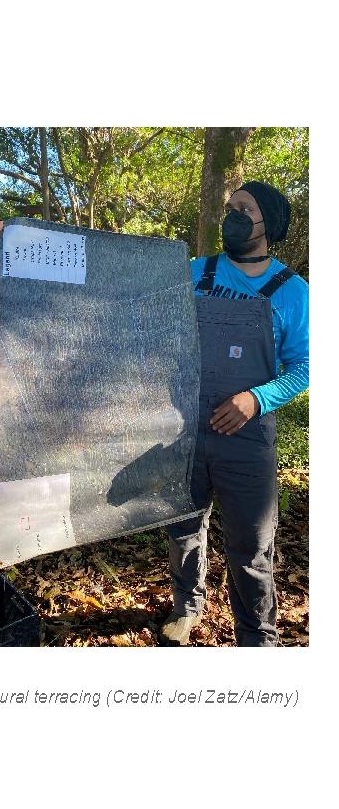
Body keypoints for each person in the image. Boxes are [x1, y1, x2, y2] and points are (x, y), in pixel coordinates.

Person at [162, 181, 309, 647]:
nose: (233, 215)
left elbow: (307, 365)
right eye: (230, 208)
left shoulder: (292, 291)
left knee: (251, 548)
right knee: (184, 529)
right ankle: (187, 608)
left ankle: (256, 636)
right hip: (184, 431)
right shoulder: (193, 272)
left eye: (244, 209)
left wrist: (256, 399)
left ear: (269, 223)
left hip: (246, 442)